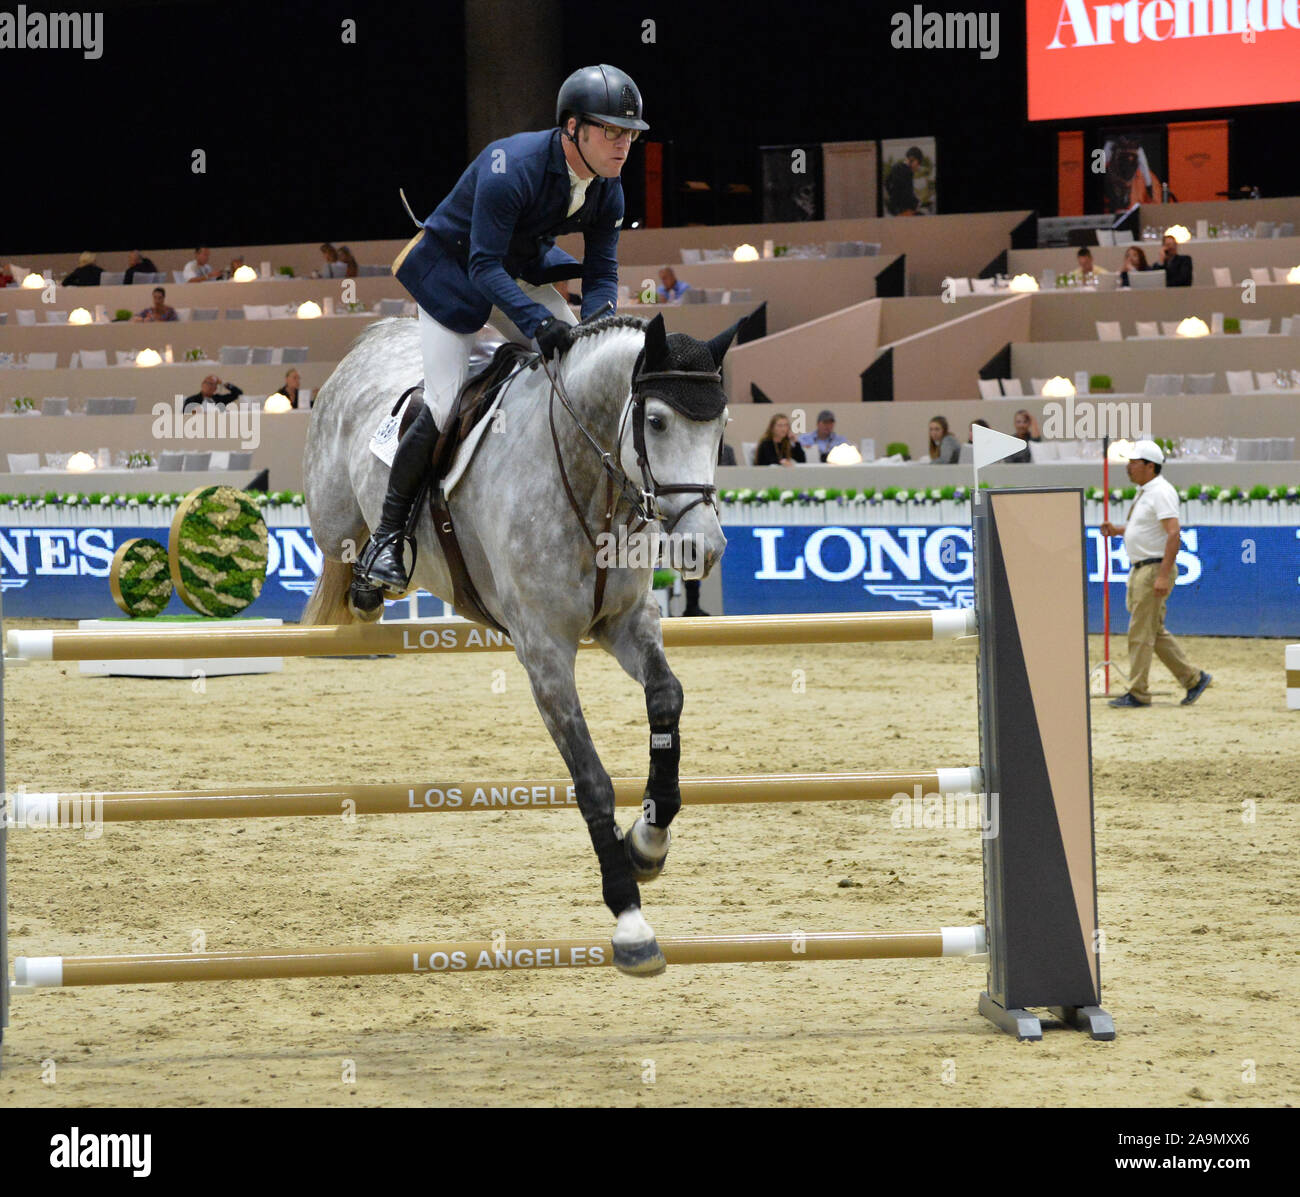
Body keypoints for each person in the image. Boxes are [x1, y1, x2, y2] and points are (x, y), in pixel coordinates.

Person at [361, 64, 647, 592]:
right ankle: (386, 538)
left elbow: (602, 272)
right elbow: (482, 266)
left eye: (629, 133)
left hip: (513, 270)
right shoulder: (509, 165)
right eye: (610, 130)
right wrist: (539, 322)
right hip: (456, 271)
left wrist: (600, 329)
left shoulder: (609, 188)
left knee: (579, 372)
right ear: (571, 128)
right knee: (445, 402)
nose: (623, 142)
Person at [1100, 440, 1211, 708]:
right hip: (1144, 567)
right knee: (1153, 630)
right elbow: (1149, 529)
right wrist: (1118, 531)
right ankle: (1193, 679)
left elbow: (1173, 532)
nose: (1128, 467)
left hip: (1152, 568)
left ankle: (1139, 692)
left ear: (1150, 466)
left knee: (1140, 632)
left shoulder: (1160, 492)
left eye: (1133, 463)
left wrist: (1162, 575)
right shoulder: (1147, 491)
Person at [885, 146, 923, 216]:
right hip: (903, 210)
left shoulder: (895, 167)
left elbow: (887, 184)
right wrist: (916, 203)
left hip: (894, 209)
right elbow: (907, 193)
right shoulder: (907, 171)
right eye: (918, 164)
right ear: (913, 159)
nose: (917, 167)